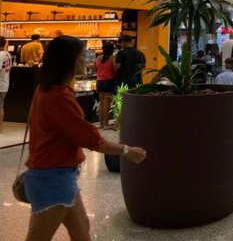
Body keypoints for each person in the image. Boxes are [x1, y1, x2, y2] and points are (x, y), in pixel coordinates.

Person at [22, 36, 146, 241]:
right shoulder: (59, 97)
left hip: (59, 174)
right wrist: (126, 151)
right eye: (81, 56)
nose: (85, 60)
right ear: (69, 60)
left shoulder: (45, 89)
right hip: (52, 178)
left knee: (82, 229)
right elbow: (90, 138)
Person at [95, 42, 117, 130]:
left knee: (101, 102)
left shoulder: (98, 58)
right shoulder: (112, 58)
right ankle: (106, 124)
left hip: (99, 82)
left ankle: (101, 123)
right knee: (107, 104)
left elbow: (95, 69)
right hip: (109, 82)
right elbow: (115, 70)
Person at [0, 36, 11, 134]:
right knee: (0, 106)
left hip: (0, 85)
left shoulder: (0, 55)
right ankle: (0, 129)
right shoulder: (7, 54)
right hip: (4, 83)